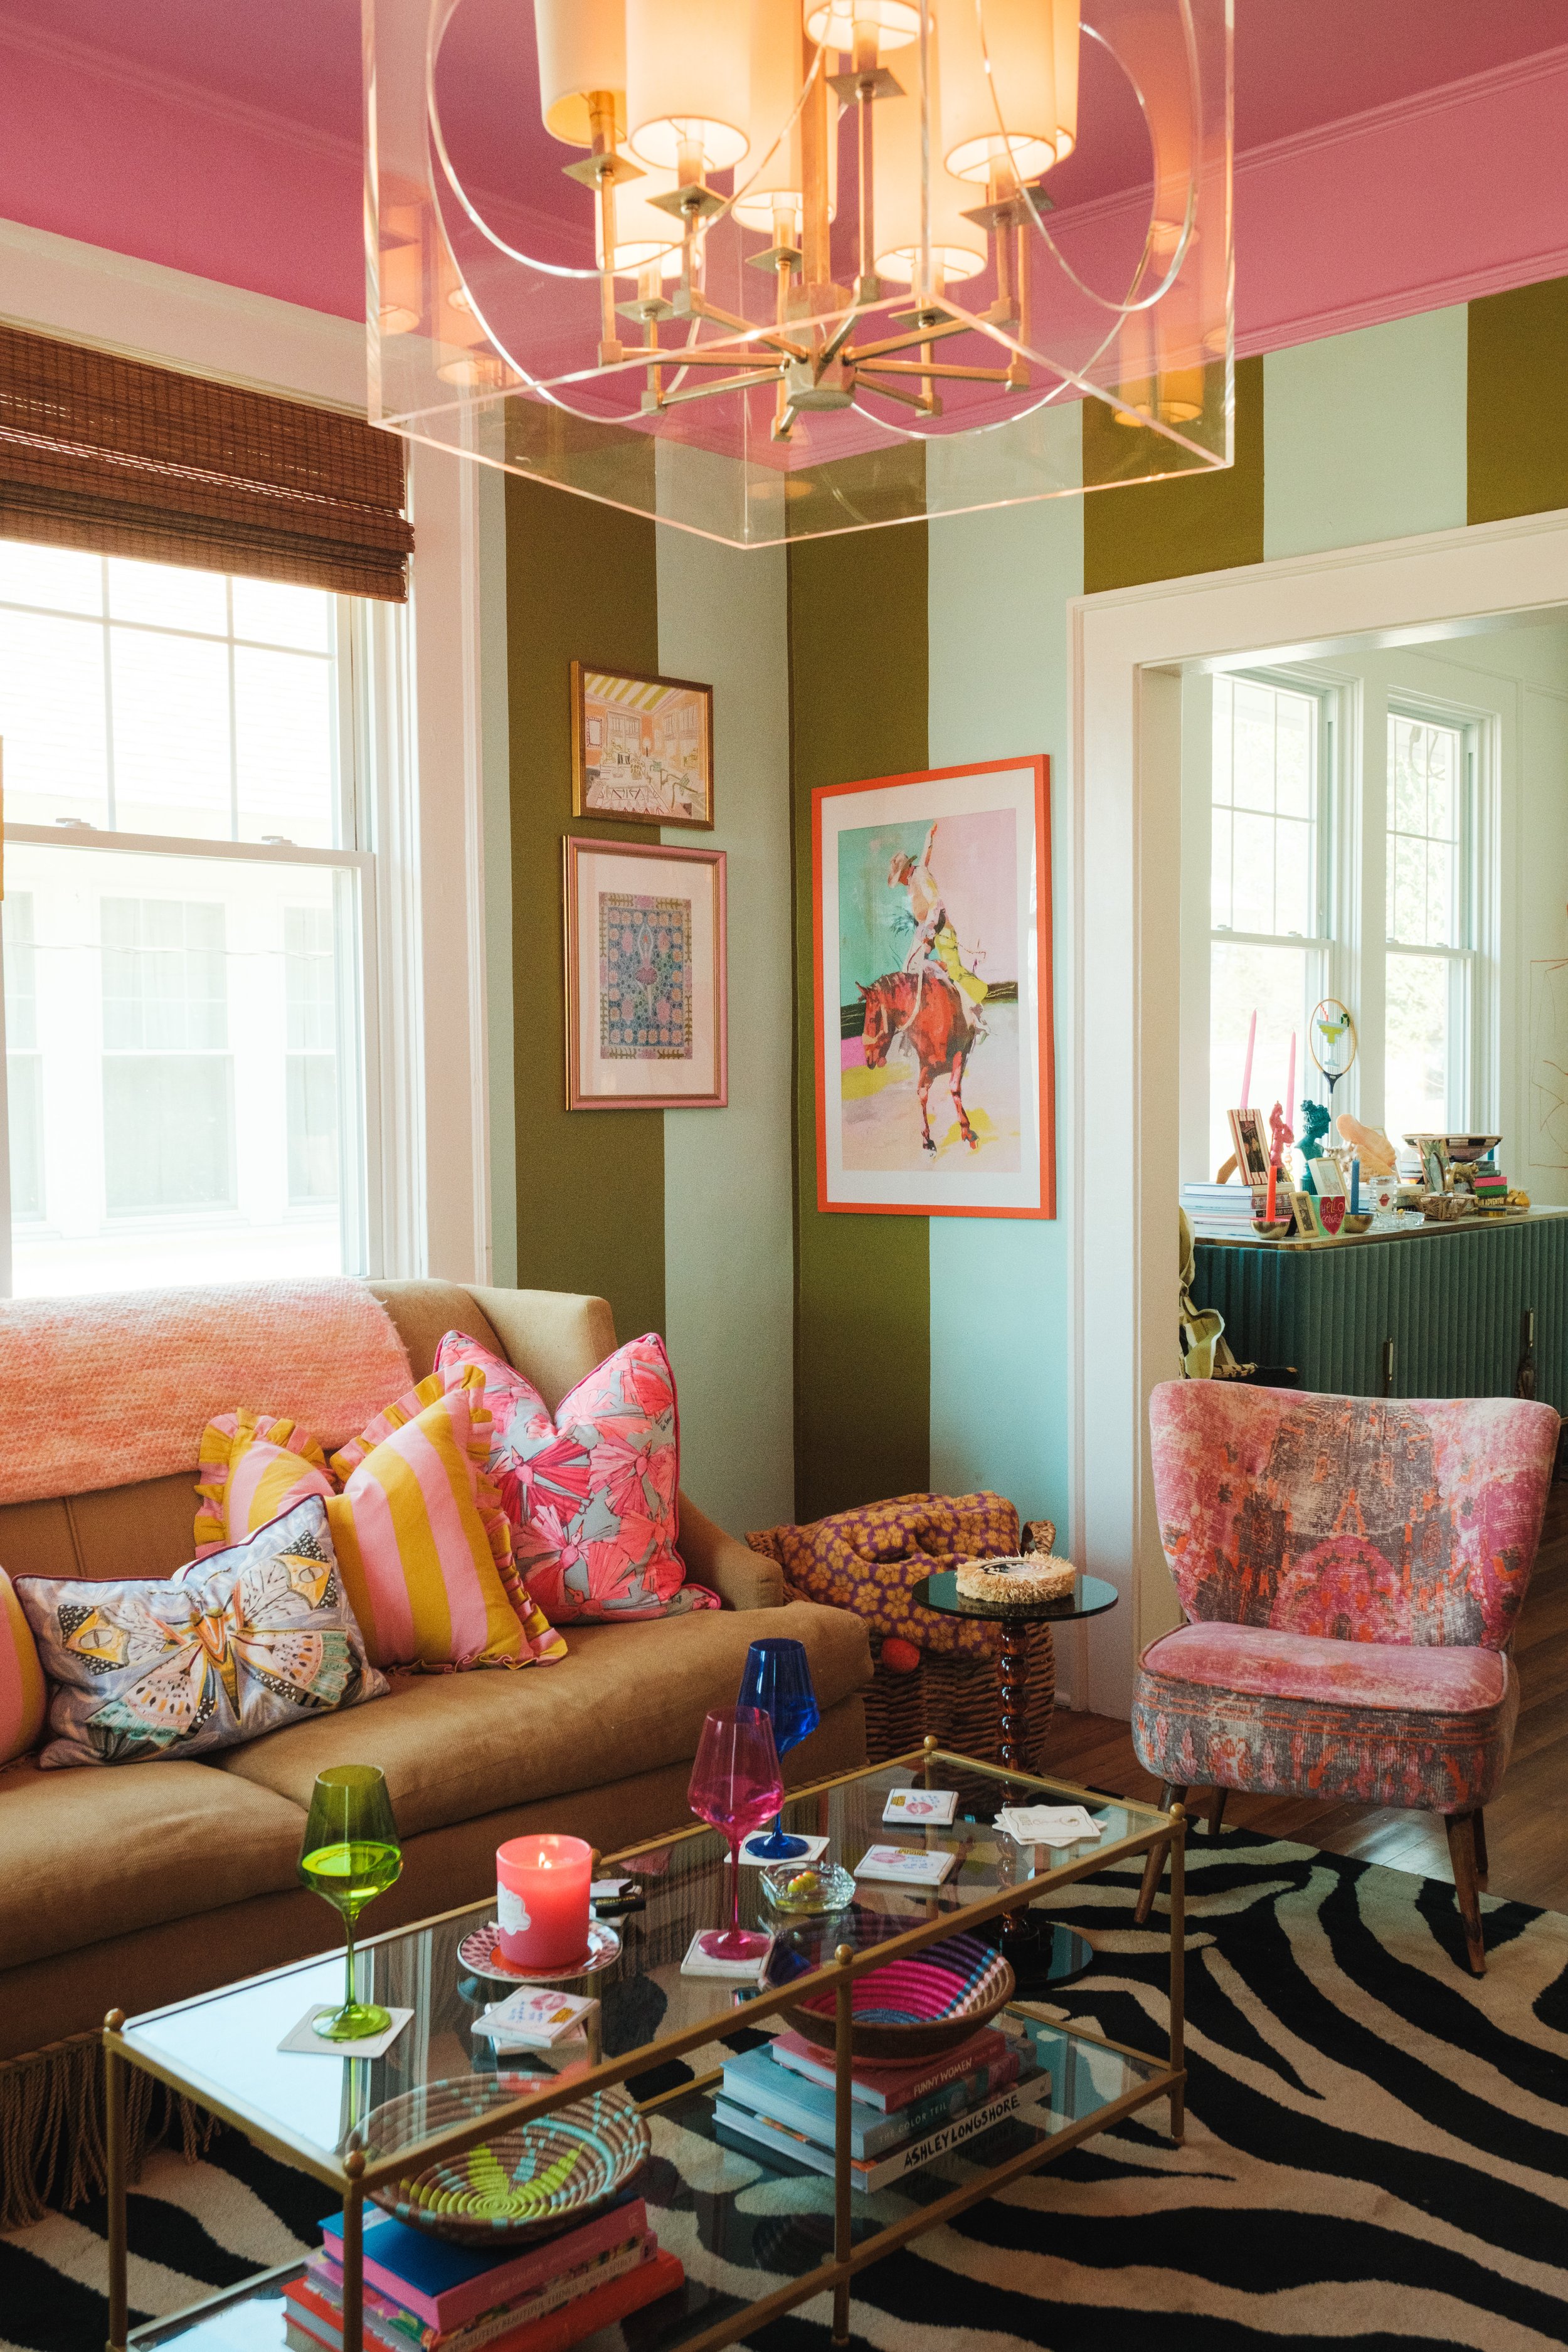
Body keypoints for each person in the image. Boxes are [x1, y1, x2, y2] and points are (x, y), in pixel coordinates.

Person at [887, 823, 988, 1019]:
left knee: (954, 970)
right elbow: (926, 855)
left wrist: (931, 928)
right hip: (925, 930)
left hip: (940, 929)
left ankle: (975, 1004)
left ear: (905, 870)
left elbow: (935, 902)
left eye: (899, 876)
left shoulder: (920, 875)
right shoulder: (916, 874)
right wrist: (929, 837)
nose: (899, 881)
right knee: (909, 967)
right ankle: (921, 1009)